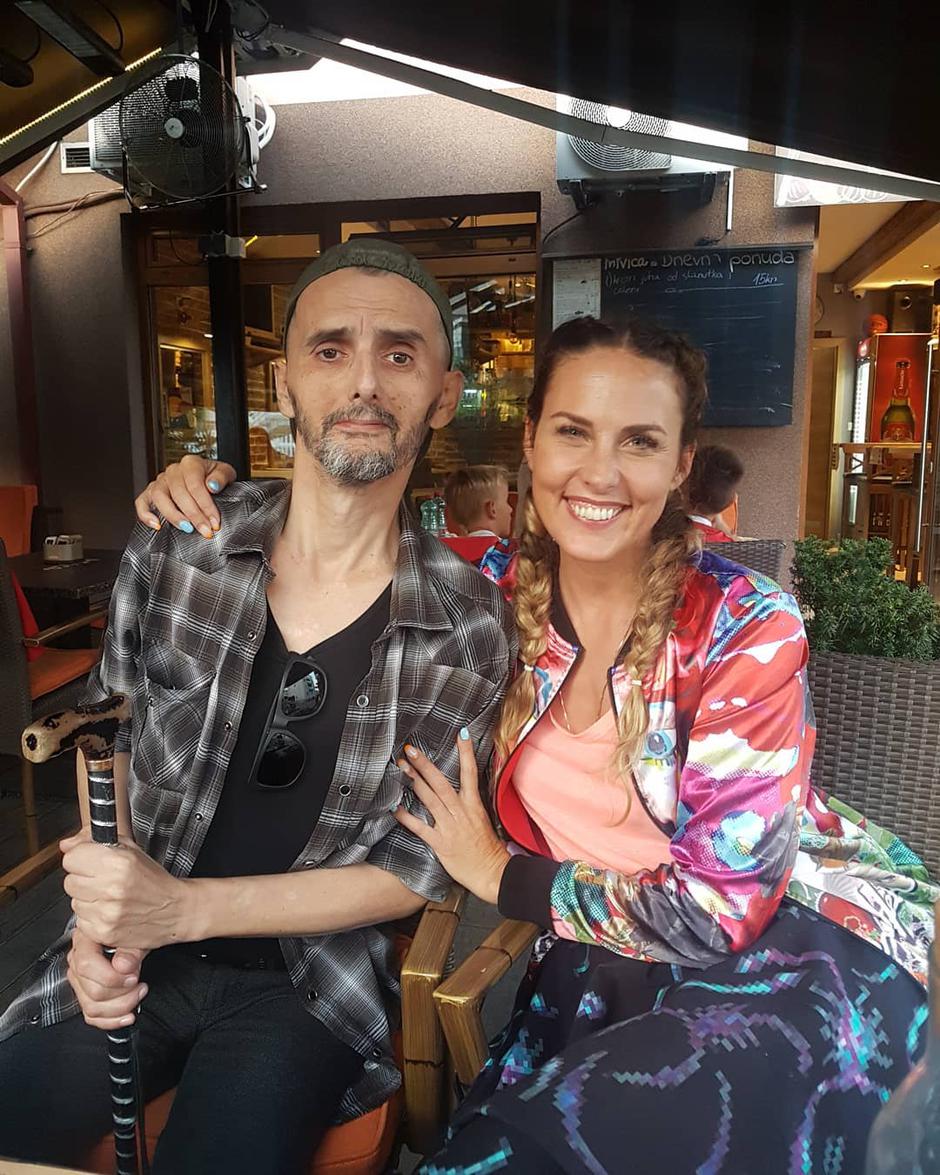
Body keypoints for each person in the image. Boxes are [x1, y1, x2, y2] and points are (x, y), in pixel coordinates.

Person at [0, 239, 514, 1175]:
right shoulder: (177, 546)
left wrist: (178, 909)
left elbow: (412, 871)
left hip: (306, 985)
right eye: (331, 349)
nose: (364, 381)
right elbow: (105, 736)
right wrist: (103, 924)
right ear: (285, 384)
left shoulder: (471, 624)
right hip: (133, 961)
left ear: (444, 395)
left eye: (400, 353)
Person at [388, 316, 934, 1173]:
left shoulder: (744, 622)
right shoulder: (485, 594)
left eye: (639, 440)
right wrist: (210, 499)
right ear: (530, 440)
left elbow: (720, 911)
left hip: (790, 953)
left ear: (681, 464)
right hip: (601, 958)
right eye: (573, 431)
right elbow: (343, 550)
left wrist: (502, 877)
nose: (600, 472)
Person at [441, 464, 514, 564]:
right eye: (506, 501)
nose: (510, 509)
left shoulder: (447, 552)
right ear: (492, 509)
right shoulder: (508, 554)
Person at [686, 442, 743, 542]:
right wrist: (724, 529)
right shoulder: (729, 544)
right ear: (732, 501)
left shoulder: (661, 530)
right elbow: (738, 545)